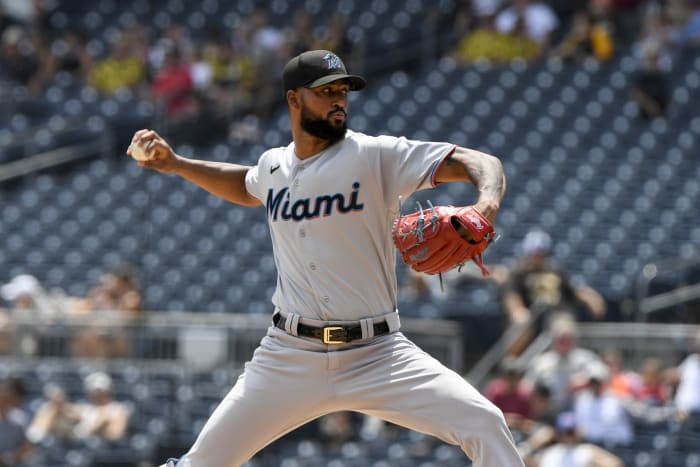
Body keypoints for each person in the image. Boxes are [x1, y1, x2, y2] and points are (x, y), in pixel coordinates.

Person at [129, 49, 525, 467]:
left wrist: (486, 205)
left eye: (343, 91)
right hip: (288, 355)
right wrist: (177, 164)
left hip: (378, 353)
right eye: (326, 91)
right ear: (294, 99)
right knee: (200, 463)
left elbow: (479, 162)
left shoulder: (375, 155)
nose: (339, 99)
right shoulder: (274, 166)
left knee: (484, 421)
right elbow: (246, 186)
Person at [500, 229, 606, 355]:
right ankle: (511, 364)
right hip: (532, 315)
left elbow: (572, 290)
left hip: (557, 313)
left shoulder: (555, 269)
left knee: (563, 329)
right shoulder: (518, 272)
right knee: (521, 326)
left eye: (541, 253)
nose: (538, 257)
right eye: (535, 253)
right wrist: (517, 311)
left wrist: (589, 296)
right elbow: (512, 295)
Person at [532, 411, 624, 467]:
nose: (568, 436)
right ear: (559, 433)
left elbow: (616, 464)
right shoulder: (551, 452)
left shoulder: (587, 450)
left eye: (571, 432)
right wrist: (534, 444)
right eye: (566, 432)